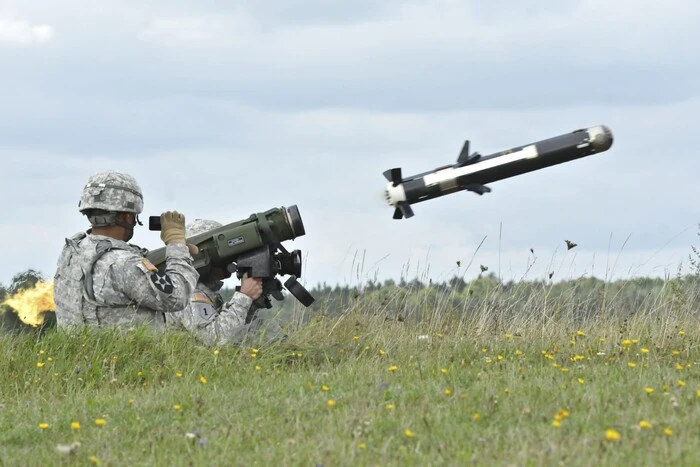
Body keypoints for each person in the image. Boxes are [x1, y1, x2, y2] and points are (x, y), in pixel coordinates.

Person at [53, 170, 199, 330]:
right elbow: (176, 298)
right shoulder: (124, 264)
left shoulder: (71, 253)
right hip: (127, 354)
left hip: (79, 353)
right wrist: (176, 246)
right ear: (126, 217)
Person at [164, 219, 287, 346]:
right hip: (193, 362)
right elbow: (215, 338)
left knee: (262, 329)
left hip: (205, 360)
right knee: (264, 331)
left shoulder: (205, 290)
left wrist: (252, 304)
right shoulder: (189, 292)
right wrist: (244, 296)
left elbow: (232, 328)